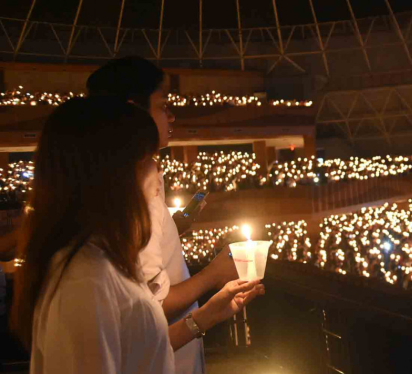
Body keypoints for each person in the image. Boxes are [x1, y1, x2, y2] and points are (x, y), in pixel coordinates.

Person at [10, 97, 259, 373]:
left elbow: (138, 350)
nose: (159, 169)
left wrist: (207, 316)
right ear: (115, 174)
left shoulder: (108, 261)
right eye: (150, 158)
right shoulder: (86, 279)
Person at [86, 56, 263, 374]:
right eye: (162, 105)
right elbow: (150, 304)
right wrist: (214, 275)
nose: (171, 115)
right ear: (134, 112)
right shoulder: (131, 187)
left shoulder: (125, 179)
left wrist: (173, 227)